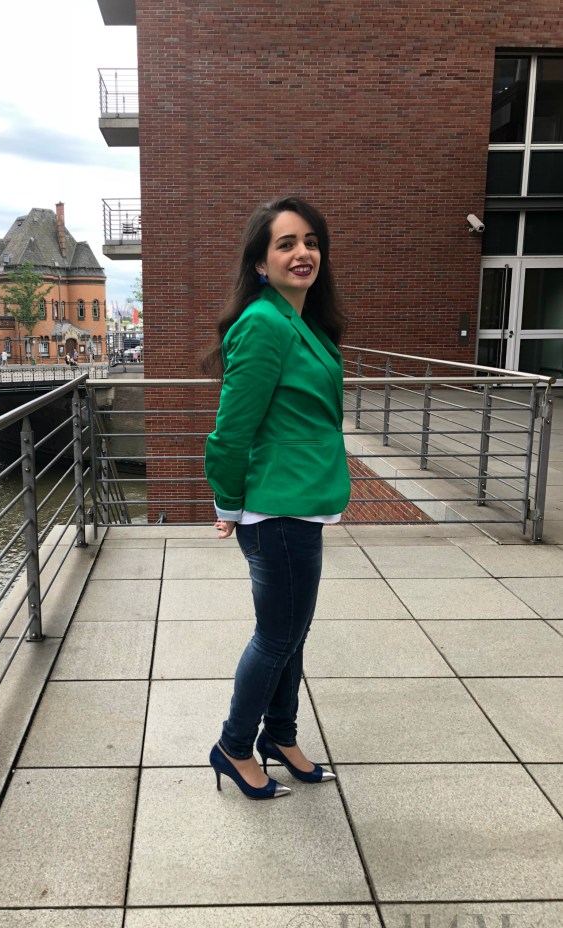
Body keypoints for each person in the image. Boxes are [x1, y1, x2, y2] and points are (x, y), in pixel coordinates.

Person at [203, 196, 351, 800]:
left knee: (290, 633)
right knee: (276, 636)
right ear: (261, 262)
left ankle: (280, 737)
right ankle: (235, 746)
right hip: (278, 510)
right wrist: (227, 504)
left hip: (300, 502)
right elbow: (231, 428)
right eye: (286, 243)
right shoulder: (264, 323)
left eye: (311, 241)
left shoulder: (302, 321)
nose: (302, 253)